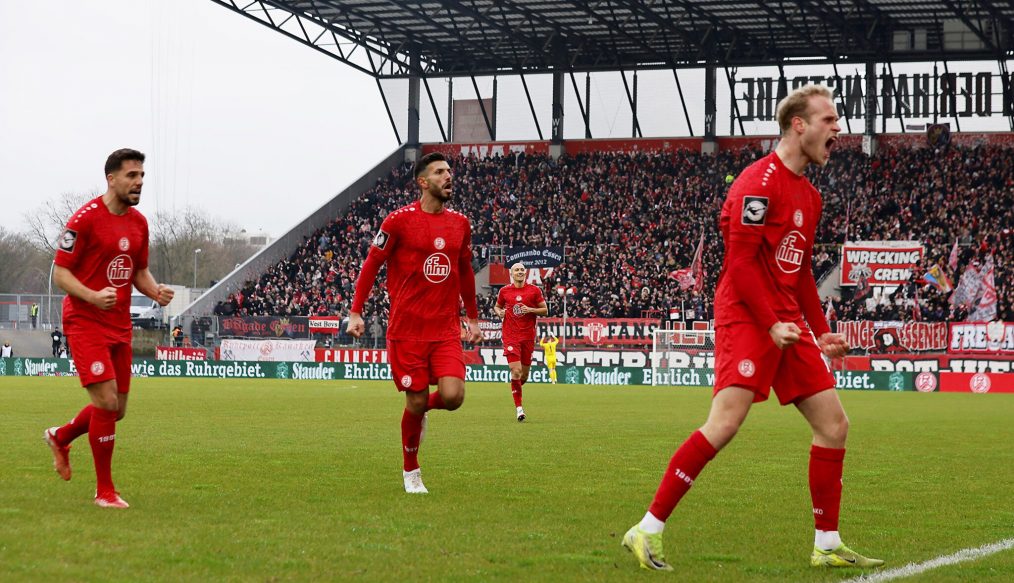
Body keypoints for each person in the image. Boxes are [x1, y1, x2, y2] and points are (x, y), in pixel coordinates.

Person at [622, 86, 884, 571]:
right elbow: (740, 264)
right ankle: (647, 528)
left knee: (834, 425)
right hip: (747, 314)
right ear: (798, 125)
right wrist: (770, 324)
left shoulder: (810, 195)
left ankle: (827, 544)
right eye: (829, 119)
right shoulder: (757, 183)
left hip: (786, 320)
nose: (838, 128)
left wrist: (820, 331)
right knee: (725, 422)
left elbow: (799, 272)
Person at [43, 148, 174, 509]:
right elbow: (60, 274)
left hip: (119, 324)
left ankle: (61, 436)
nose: (139, 182)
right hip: (84, 321)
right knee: (105, 402)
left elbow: (138, 271)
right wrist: (92, 296)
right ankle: (105, 491)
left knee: (117, 410)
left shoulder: (139, 223)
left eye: (142, 175)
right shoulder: (84, 220)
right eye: (132, 175)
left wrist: (155, 291)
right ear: (111, 179)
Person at [347, 151, 482, 494]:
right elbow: (371, 264)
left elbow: (465, 271)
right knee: (417, 401)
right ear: (423, 182)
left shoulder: (460, 224)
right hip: (407, 331)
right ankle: (411, 471)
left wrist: (473, 318)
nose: (448, 176)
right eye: (439, 172)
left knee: (453, 396)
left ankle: (420, 413)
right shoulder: (397, 221)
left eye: (449, 171)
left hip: (445, 329)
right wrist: (356, 311)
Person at [494, 263, 547, 421]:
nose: (520, 272)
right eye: (516, 270)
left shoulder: (534, 290)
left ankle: (515, 387)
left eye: (522, 270)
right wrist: (499, 312)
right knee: (515, 371)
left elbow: (545, 310)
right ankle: (519, 409)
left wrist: (530, 310)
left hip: (528, 337)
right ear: (511, 273)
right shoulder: (504, 291)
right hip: (510, 336)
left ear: (526, 273)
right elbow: (497, 307)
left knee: (523, 376)